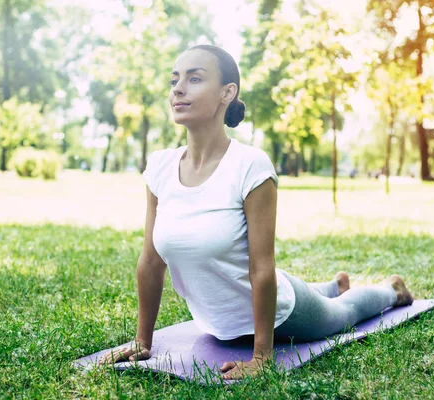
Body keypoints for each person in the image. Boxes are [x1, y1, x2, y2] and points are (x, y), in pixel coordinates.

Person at [97, 45, 414, 380]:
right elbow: (150, 261)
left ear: (226, 93)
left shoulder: (250, 165)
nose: (178, 88)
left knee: (344, 312)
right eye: (175, 79)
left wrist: (262, 357)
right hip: (218, 325)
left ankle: (391, 290)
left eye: (194, 78)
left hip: (281, 314)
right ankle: (334, 283)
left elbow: (262, 268)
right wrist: (142, 341)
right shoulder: (160, 167)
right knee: (316, 291)